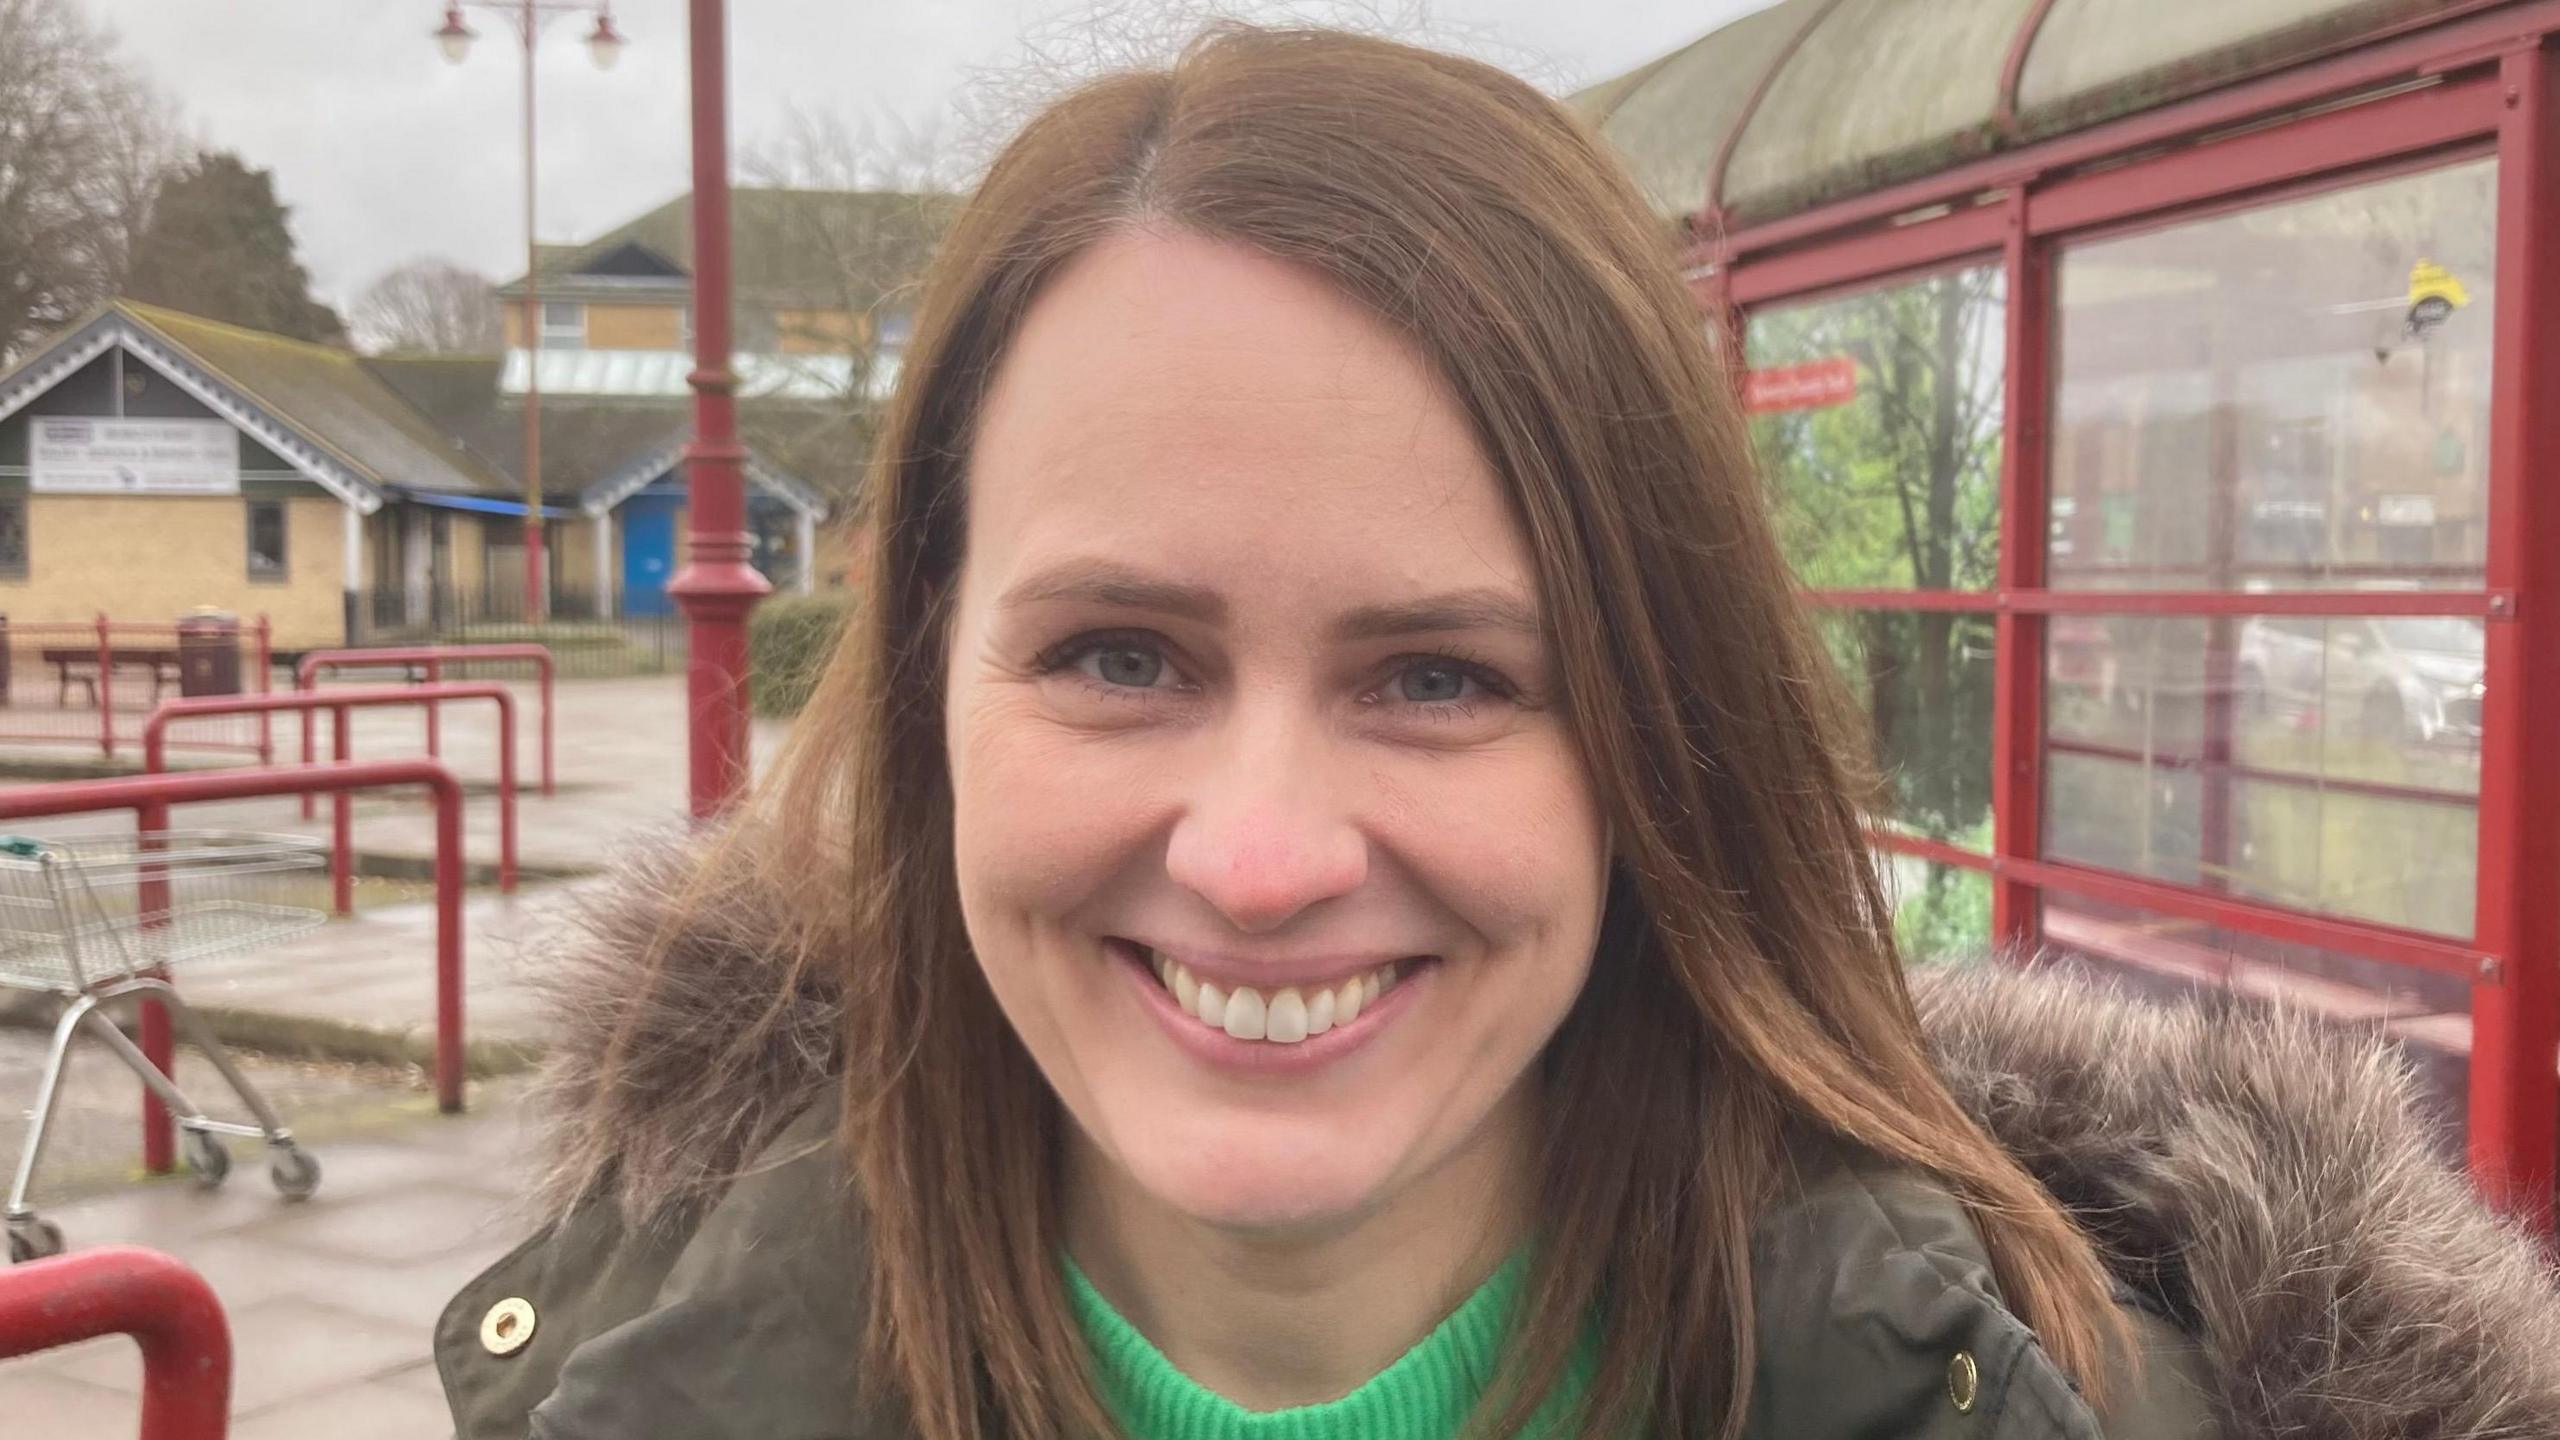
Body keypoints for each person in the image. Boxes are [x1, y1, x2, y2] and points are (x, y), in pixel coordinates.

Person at [437, 26, 2560, 1440]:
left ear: (1661, 748)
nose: (1259, 858)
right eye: (1115, 655)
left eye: (1440, 677)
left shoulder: (2095, 1402)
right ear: (922, 705)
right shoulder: (625, 1374)